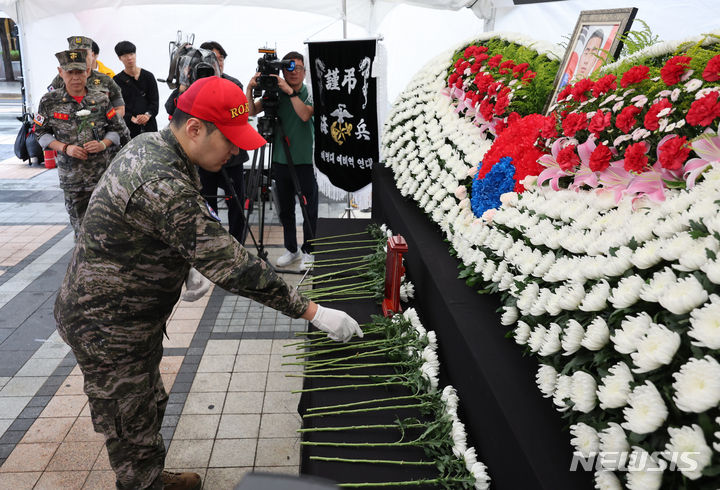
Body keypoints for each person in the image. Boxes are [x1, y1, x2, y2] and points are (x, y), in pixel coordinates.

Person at [53, 76, 363, 490]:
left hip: (130, 313)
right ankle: (142, 484)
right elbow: (234, 265)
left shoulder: (158, 146)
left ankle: (152, 475)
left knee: (149, 403)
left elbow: (175, 225)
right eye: (230, 141)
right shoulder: (159, 178)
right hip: (107, 325)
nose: (236, 151)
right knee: (129, 419)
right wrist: (313, 311)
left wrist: (185, 262)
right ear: (195, 128)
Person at [34, 49, 126, 236]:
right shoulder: (49, 101)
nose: (75, 77)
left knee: (108, 227)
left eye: (80, 72)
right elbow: (40, 133)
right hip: (72, 179)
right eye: (70, 73)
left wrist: (103, 144)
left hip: (101, 176)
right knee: (81, 230)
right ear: (61, 72)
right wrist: (65, 148)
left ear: (87, 71)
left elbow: (117, 129)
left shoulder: (100, 99)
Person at [247, 50, 318, 270]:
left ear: (305, 72)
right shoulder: (275, 94)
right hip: (280, 160)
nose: (294, 72)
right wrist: (249, 89)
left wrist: (290, 93)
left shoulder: (309, 93)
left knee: (309, 209)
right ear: (282, 70)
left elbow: (305, 114)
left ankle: (309, 251)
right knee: (285, 209)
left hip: (304, 160)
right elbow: (251, 111)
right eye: (289, 68)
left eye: (298, 68)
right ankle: (292, 249)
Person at [193, 40, 249, 243]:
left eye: (222, 58)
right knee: (206, 202)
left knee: (236, 201)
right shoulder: (193, 85)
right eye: (214, 58)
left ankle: (237, 244)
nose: (219, 62)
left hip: (230, 156)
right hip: (205, 157)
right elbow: (173, 106)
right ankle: (212, 244)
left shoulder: (233, 84)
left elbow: (239, 115)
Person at [49, 36, 126, 118]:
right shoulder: (60, 79)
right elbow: (49, 107)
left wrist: (106, 121)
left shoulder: (106, 80)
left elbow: (120, 109)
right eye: (76, 54)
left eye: (84, 53)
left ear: (92, 55)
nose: (80, 58)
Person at [113, 40, 159, 138]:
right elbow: (116, 106)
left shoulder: (148, 76)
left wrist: (147, 115)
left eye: (132, 54)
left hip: (150, 125)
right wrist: (130, 118)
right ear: (120, 58)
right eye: (125, 55)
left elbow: (155, 102)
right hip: (129, 127)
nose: (129, 58)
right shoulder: (116, 81)